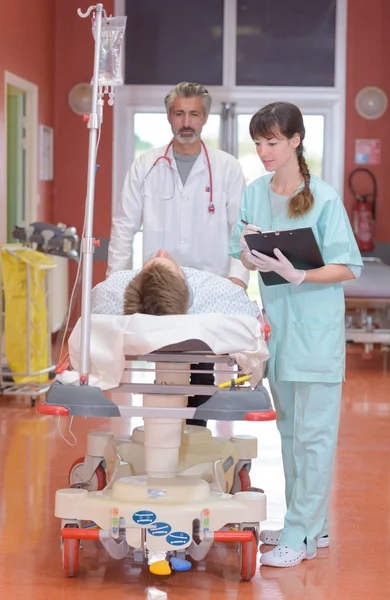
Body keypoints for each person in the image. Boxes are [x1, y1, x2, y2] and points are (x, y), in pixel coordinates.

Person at [228, 102, 364, 568]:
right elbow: (239, 252)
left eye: (273, 142)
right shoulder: (254, 192)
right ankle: (310, 525)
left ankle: (298, 534)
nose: (264, 152)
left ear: (295, 141)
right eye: (259, 142)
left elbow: (350, 266)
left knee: (315, 436)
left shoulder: (323, 198)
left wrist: (301, 276)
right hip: (278, 333)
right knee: (288, 434)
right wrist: (253, 256)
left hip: (316, 333)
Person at [107, 81, 249, 425]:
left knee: (202, 369)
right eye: (179, 113)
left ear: (206, 117)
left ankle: (196, 438)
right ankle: (163, 437)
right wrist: (116, 279)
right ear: (169, 116)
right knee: (165, 364)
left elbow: (241, 228)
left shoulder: (227, 168)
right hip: (160, 284)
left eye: (194, 114)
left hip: (210, 283)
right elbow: (124, 226)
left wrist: (237, 277)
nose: (186, 121)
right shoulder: (146, 164)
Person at [92, 249, 260, 320]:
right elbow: (251, 317)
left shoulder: (108, 294)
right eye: (166, 259)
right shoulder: (224, 297)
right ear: (183, 277)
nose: (163, 250)